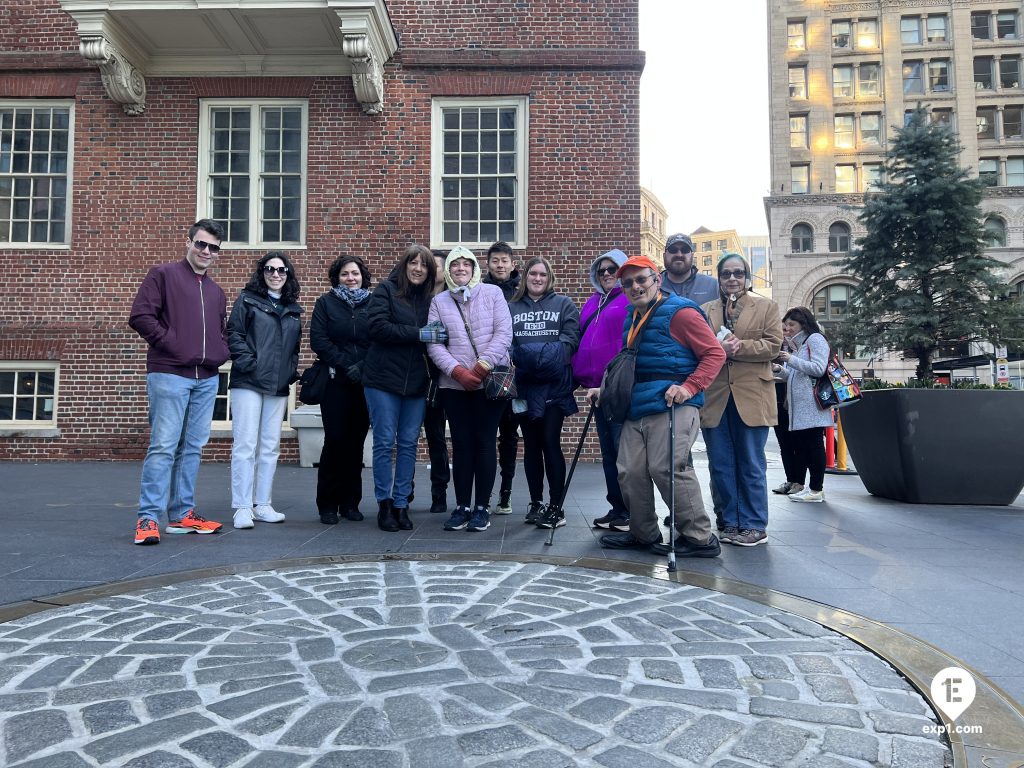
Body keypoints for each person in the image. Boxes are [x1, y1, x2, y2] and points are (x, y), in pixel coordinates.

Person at [598, 256, 726, 557]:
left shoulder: (681, 312)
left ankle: (699, 538)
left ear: (657, 279)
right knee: (629, 471)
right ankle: (643, 534)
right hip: (638, 404)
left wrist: (688, 387)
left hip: (674, 403)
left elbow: (714, 354)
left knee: (667, 468)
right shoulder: (632, 316)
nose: (635, 286)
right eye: (627, 283)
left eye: (641, 279)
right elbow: (631, 364)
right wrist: (603, 388)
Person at [128, 219, 230, 545]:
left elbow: (221, 332)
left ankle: (182, 514)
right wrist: (173, 344)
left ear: (218, 252)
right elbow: (141, 316)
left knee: (192, 449)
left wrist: (220, 351)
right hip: (169, 374)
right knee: (163, 447)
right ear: (189, 242)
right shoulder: (163, 275)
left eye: (213, 247)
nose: (206, 251)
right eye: (200, 244)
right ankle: (147, 519)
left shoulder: (216, 291)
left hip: (206, 379)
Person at [427, 246, 513, 532]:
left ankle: (481, 507)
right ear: (449, 270)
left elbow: (504, 332)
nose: (461, 268)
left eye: (467, 264)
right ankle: (462, 505)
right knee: (461, 444)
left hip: (488, 383)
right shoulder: (438, 301)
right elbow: (434, 343)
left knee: (485, 442)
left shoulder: (493, 294)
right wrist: (457, 371)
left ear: (475, 268)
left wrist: (481, 366)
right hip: (454, 385)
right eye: (455, 264)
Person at [701, 252, 784, 547]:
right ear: (719, 279)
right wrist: (717, 347)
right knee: (720, 464)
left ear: (747, 278)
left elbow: (774, 346)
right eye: (726, 274)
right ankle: (729, 520)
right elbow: (697, 348)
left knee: (750, 462)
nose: (732, 279)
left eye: (738, 273)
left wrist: (740, 347)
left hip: (752, 393)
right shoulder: (705, 310)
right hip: (716, 396)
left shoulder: (767, 306)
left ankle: (753, 524)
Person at [362, 244, 440, 532]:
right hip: (382, 379)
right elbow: (378, 328)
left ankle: (401, 504)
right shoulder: (386, 290)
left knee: (408, 444)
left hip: (416, 383)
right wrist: (418, 334)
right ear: (405, 265)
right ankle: (384, 504)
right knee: (384, 442)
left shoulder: (432, 300)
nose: (418, 269)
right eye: (413, 263)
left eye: (424, 265)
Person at [227, 252, 303, 529]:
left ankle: (263, 504)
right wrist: (249, 363)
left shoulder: (293, 310)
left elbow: (294, 349)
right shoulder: (247, 300)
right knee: (245, 445)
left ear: (288, 275)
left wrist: (290, 371)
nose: (275, 274)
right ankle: (243, 507)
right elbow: (233, 334)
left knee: (270, 447)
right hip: (248, 381)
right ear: (262, 273)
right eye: (270, 269)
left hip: (278, 385)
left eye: (281, 270)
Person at [509, 256, 581, 529]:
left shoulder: (564, 305)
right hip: (524, 388)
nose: (537, 279)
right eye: (532, 274)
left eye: (543, 274)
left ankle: (556, 506)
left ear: (550, 278)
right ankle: (536, 502)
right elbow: (507, 346)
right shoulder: (511, 307)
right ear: (525, 277)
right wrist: (540, 355)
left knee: (550, 441)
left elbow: (569, 345)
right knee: (531, 445)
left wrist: (529, 357)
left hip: (554, 387)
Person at [309, 255, 373, 525]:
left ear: (362, 276)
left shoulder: (373, 303)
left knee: (356, 444)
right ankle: (327, 504)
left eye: (355, 273)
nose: (351, 278)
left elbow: (379, 337)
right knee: (335, 441)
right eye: (345, 274)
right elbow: (319, 340)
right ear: (337, 277)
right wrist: (348, 364)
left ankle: (350, 503)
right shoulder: (325, 303)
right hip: (335, 381)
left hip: (364, 382)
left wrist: (363, 365)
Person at [571, 248, 631, 531]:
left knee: (624, 453)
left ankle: (633, 512)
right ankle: (617, 508)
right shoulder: (593, 301)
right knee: (608, 452)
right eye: (601, 270)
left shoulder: (629, 300)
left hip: (618, 388)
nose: (606, 274)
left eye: (612, 269)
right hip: (597, 390)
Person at [775, 306, 833, 503]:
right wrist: (779, 369)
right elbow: (794, 376)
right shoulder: (799, 346)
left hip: (812, 405)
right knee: (807, 447)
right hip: (801, 407)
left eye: (791, 324)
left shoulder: (815, 340)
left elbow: (818, 368)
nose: (787, 329)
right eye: (785, 325)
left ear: (803, 324)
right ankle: (811, 487)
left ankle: (817, 489)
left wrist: (790, 359)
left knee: (814, 446)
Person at [482, 240, 521, 514]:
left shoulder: (522, 292)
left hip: (516, 373)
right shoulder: (479, 290)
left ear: (512, 264)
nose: (500, 265)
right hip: (486, 370)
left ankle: (505, 492)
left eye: (504, 260)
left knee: (509, 435)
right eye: (495, 260)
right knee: (485, 435)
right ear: (488, 264)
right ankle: (481, 494)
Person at [424, 250, 452, 515]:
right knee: (414, 436)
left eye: (437, 266)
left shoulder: (452, 301)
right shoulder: (418, 299)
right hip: (421, 377)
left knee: (437, 438)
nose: (433, 270)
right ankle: (405, 493)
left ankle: (439, 493)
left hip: (448, 376)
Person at [660, 233, 719, 305]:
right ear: (664, 256)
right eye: (673, 250)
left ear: (692, 256)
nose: (679, 254)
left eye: (685, 250)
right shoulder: (652, 286)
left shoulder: (714, 286)